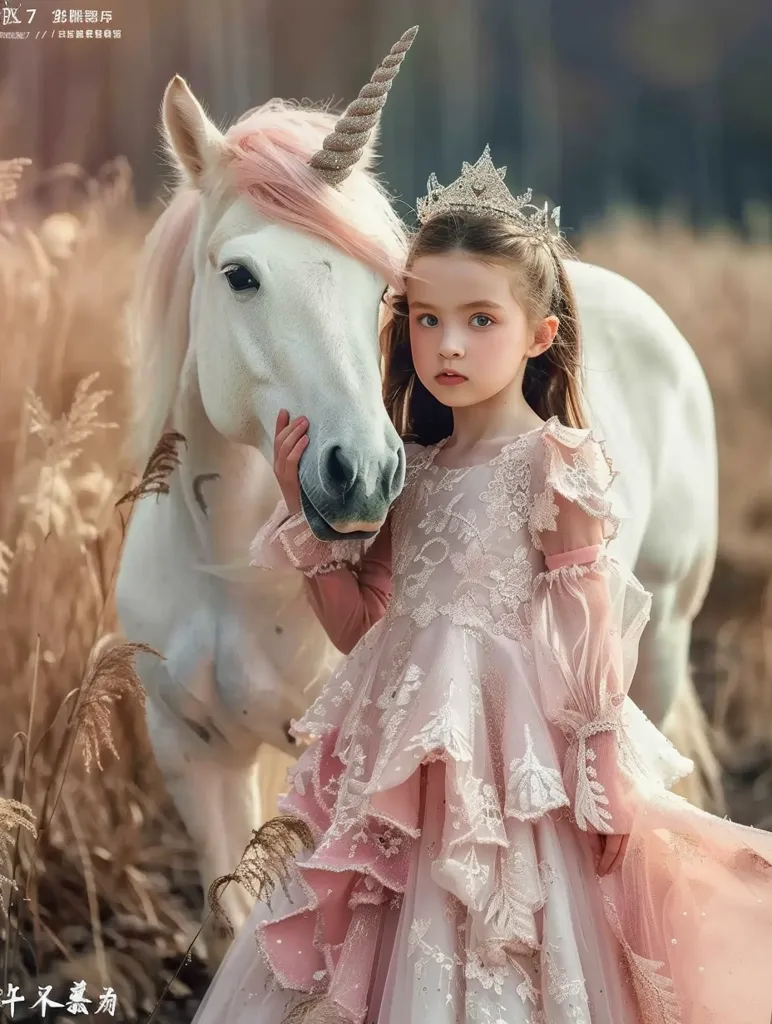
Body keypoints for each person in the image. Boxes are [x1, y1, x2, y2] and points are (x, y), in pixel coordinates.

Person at [190, 147, 772, 1024]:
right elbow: (362, 630)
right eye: (425, 320)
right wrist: (307, 521)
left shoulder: (557, 466)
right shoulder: (409, 473)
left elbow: (591, 648)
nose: (447, 345)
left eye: (478, 321)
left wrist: (604, 779)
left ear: (540, 334)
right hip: (401, 776)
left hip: (517, 780)